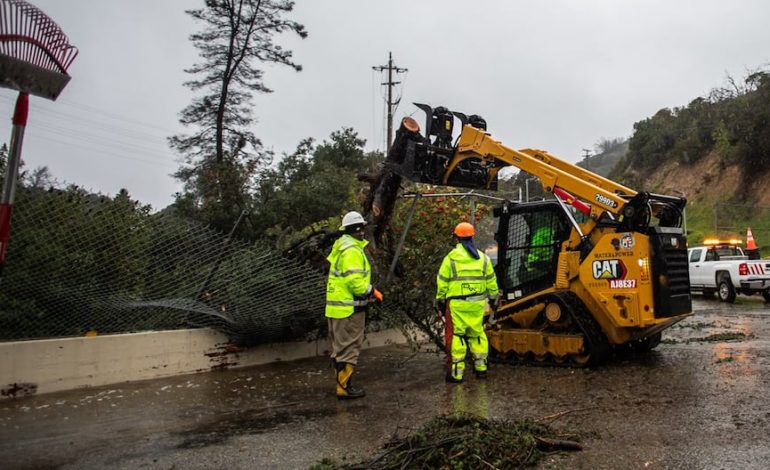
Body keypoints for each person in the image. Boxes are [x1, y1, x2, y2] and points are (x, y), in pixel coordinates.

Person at [325, 211, 383, 400]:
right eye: (361, 229)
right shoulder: (351, 250)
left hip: (337, 308)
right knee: (349, 349)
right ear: (356, 229)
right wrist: (372, 291)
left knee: (340, 349)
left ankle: (342, 384)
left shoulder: (342, 247)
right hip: (349, 310)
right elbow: (355, 282)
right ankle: (343, 387)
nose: (363, 232)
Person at [436, 222, 499, 383]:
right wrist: (493, 299)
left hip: (458, 304)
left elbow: (442, 281)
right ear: (472, 236)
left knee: (458, 336)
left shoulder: (451, 258)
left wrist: (440, 300)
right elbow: (492, 282)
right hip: (478, 304)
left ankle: (457, 375)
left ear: (456, 238)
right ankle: (481, 369)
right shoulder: (483, 258)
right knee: (477, 334)